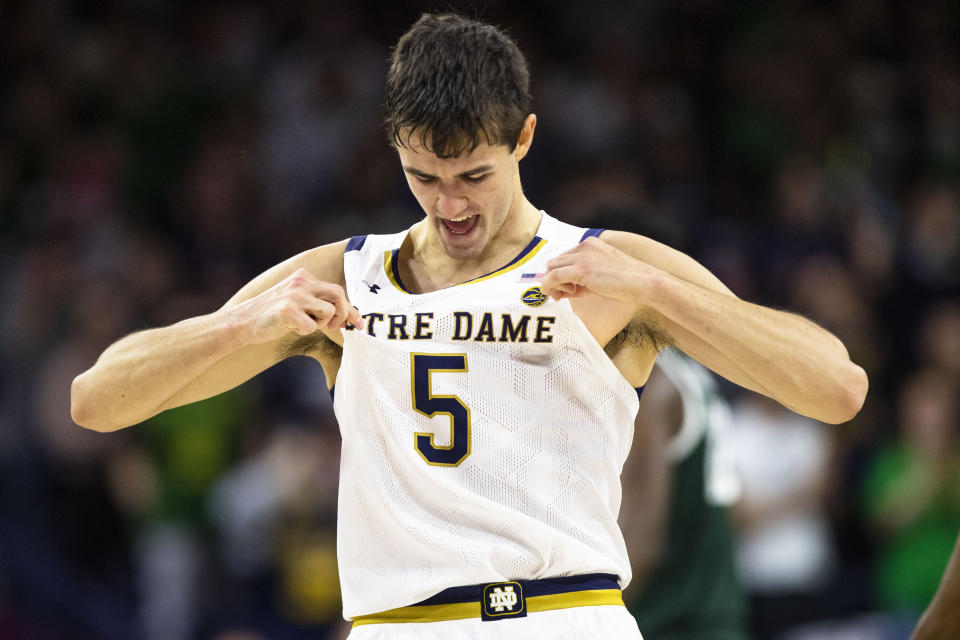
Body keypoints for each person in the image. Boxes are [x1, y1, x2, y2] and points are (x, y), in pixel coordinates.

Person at [70, 13, 868, 639]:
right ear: (393, 148)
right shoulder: (339, 277)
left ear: (524, 135)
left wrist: (661, 289)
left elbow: (837, 388)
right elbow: (96, 401)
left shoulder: (608, 267)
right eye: (424, 176)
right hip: (397, 626)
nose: (450, 205)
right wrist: (240, 329)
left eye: (474, 175)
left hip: (565, 618)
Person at [620, 350, 748, 640]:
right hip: (718, 615)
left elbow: (643, 540)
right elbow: (737, 509)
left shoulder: (652, 382)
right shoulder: (692, 371)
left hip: (664, 620)